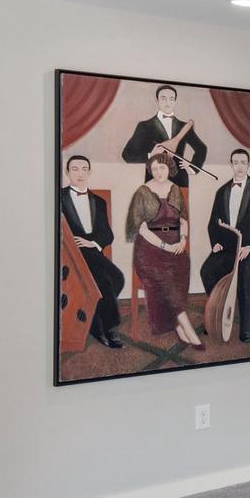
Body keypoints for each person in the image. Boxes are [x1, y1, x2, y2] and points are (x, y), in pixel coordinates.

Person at [126, 154, 202, 347]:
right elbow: (141, 229)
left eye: (163, 168)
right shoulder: (142, 192)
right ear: (150, 170)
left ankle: (175, 323)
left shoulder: (175, 189)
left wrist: (183, 239)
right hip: (149, 249)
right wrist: (164, 246)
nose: (159, 172)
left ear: (169, 168)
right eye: (155, 168)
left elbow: (183, 220)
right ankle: (186, 326)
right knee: (165, 276)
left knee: (183, 265)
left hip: (175, 243)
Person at [60, 154, 125, 349]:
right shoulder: (58, 197)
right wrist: (72, 243)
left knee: (118, 278)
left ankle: (95, 322)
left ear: (89, 172)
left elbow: (107, 234)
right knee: (103, 282)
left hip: (93, 252)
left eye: (83, 169)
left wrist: (93, 243)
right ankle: (108, 328)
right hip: (69, 256)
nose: (80, 173)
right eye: (74, 169)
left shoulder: (99, 201)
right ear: (67, 172)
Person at [200, 148, 250, 343]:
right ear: (230, 165)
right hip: (226, 248)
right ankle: (215, 314)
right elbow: (212, 222)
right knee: (207, 272)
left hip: (248, 249)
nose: (239, 166)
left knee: (245, 281)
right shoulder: (222, 191)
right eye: (236, 162)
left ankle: (247, 328)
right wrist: (215, 242)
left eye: (243, 162)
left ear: (248, 165)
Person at [120, 83, 208, 187]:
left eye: (171, 99)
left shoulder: (184, 127)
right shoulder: (144, 126)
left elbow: (201, 148)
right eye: (163, 98)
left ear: (175, 101)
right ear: (157, 101)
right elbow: (127, 155)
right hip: (153, 181)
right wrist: (150, 155)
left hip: (179, 181)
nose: (168, 102)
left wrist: (191, 168)